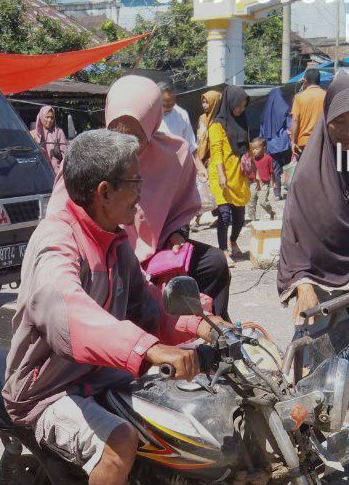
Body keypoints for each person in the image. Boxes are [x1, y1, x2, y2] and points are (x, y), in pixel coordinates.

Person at [6, 130, 221, 485]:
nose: (142, 196)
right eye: (135, 185)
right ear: (104, 191)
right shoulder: (57, 243)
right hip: (47, 386)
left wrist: (205, 325)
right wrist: (149, 349)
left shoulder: (113, 239)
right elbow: (69, 313)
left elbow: (146, 305)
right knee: (119, 440)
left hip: (100, 373)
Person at [48, 75, 232, 319]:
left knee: (215, 263)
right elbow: (61, 219)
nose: (126, 147)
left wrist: (176, 236)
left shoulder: (174, 155)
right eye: (117, 133)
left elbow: (179, 210)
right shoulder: (90, 157)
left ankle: (214, 334)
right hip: (103, 252)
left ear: (153, 123)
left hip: (157, 251)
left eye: (135, 137)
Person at [278, 73, 349, 324]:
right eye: (339, 121)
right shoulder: (309, 174)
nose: (348, 132)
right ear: (326, 116)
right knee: (318, 359)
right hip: (318, 288)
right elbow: (293, 234)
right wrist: (303, 284)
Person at [207, 84, 251, 262]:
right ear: (229, 102)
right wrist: (222, 174)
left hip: (238, 175)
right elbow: (216, 151)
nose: (241, 109)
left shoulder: (243, 121)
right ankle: (223, 250)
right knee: (224, 216)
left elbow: (246, 147)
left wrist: (251, 168)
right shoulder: (216, 126)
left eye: (244, 105)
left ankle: (233, 241)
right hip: (221, 173)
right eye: (238, 105)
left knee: (239, 218)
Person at [192, 89, 222, 229]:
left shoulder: (221, 119)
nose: (204, 105)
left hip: (218, 159)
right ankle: (196, 218)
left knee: (216, 190)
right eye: (203, 102)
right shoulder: (202, 119)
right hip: (203, 158)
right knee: (201, 188)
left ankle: (220, 217)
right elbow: (200, 138)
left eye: (207, 102)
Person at [258, 83, 292, 200]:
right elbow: (290, 127)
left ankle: (277, 193)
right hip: (285, 145)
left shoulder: (264, 113)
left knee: (276, 170)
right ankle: (291, 190)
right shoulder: (285, 110)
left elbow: (261, 133)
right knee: (289, 166)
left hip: (271, 146)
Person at [289, 68, 327, 159]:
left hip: (304, 143)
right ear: (319, 80)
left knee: (306, 172)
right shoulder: (326, 95)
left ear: (305, 81)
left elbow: (295, 119)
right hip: (322, 140)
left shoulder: (299, 97)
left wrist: (293, 141)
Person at [241, 136, 275, 222]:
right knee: (251, 202)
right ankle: (253, 220)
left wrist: (272, 182)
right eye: (252, 149)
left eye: (256, 149)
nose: (254, 151)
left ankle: (271, 212)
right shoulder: (251, 159)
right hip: (253, 183)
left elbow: (272, 171)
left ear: (264, 148)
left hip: (264, 184)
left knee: (263, 202)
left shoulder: (268, 158)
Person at [158, 81, 196, 153]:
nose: (169, 108)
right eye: (165, 105)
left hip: (176, 162)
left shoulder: (182, 115)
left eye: (172, 103)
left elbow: (190, 145)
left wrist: (198, 164)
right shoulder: (149, 115)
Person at [31, 105, 68, 176]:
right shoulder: (33, 134)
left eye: (52, 118)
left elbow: (65, 154)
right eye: (47, 117)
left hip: (56, 172)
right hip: (40, 171)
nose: (49, 120)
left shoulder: (59, 132)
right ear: (41, 116)